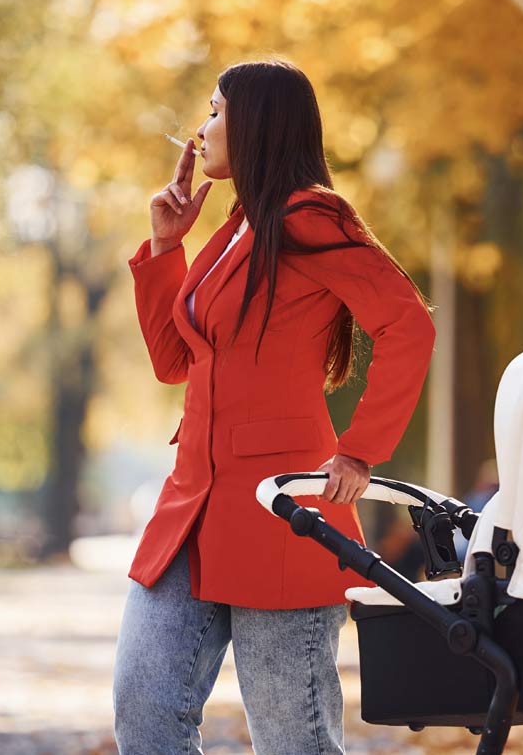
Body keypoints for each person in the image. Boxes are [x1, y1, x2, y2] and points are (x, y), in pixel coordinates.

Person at [112, 58, 436, 755]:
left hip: (280, 512)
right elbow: (177, 360)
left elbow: (408, 323)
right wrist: (167, 246)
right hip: (190, 508)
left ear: (256, 123)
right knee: (143, 710)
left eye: (215, 112)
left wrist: (360, 447)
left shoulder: (309, 216)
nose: (200, 131)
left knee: (295, 743)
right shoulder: (234, 229)